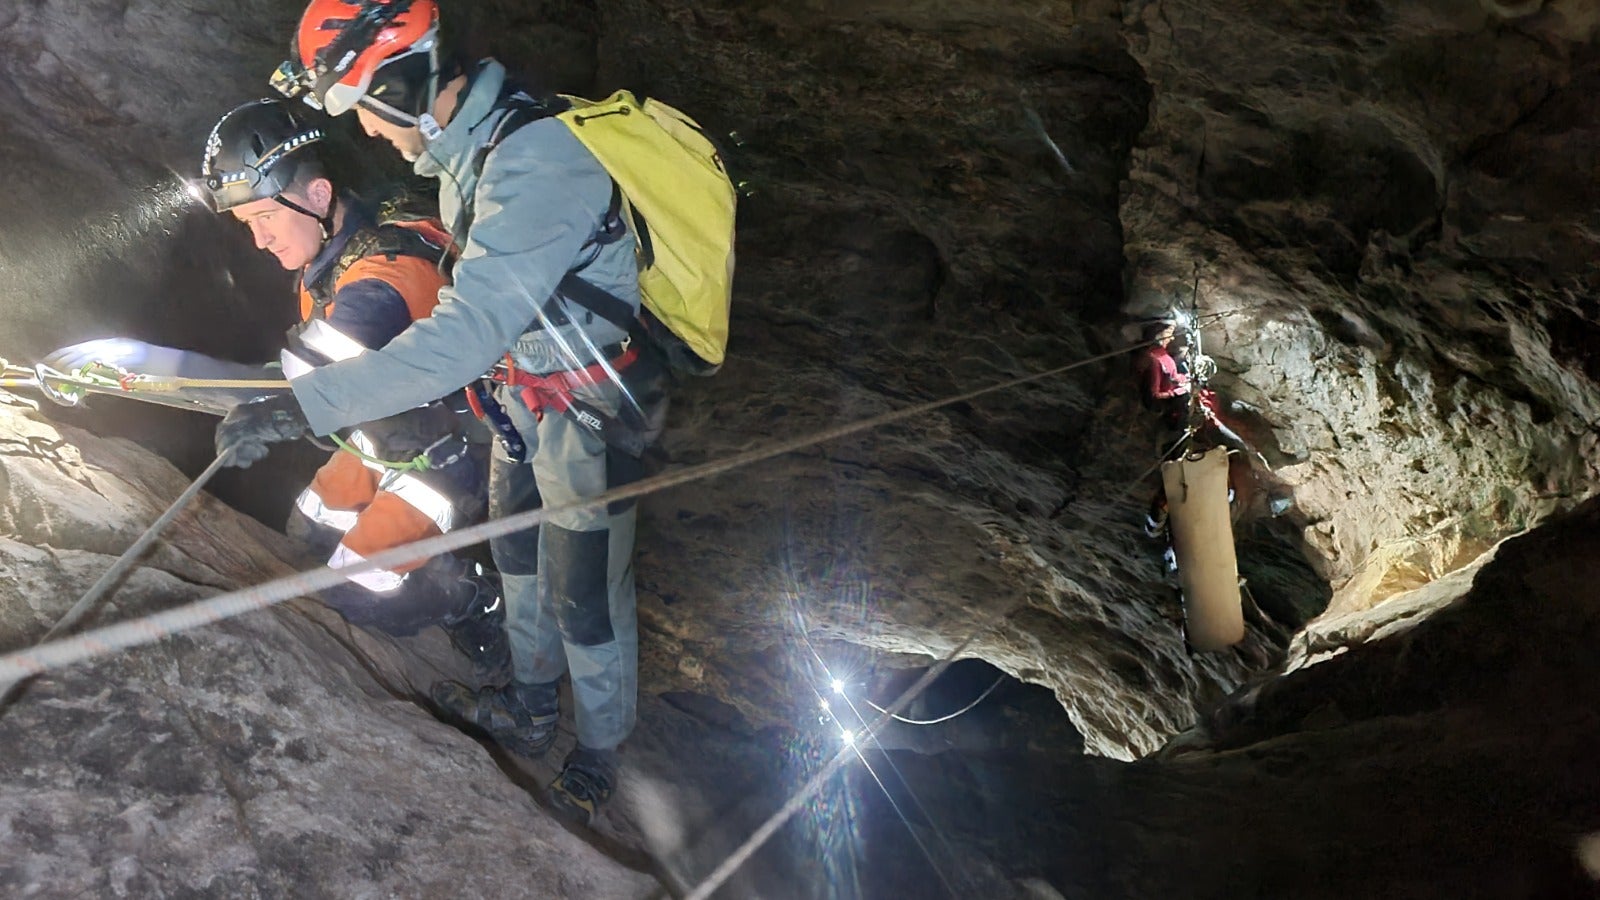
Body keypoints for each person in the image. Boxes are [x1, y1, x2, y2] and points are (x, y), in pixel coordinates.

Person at [223, 0, 670, 825]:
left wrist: (307, 405)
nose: (366, 133)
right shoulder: (472, 157)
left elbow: (467, 333)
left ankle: (600, 748)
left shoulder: (537, 162)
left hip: (587, 412)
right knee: (522, 564)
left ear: (395, 82)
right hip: (521, 401)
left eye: (361, 108)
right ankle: (532, 710)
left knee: (586, 592)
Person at [45, 99, 508, 677]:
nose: (261, 241)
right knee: (308, 531)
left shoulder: (384, 283)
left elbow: (292, 394)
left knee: (355, 590)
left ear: (316, 196)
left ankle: (475, 598)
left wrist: (142, 363)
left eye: (266, 217)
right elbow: (304, 387)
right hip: (383, 434)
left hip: (448, 458)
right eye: (249, 225)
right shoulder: (338, 256)